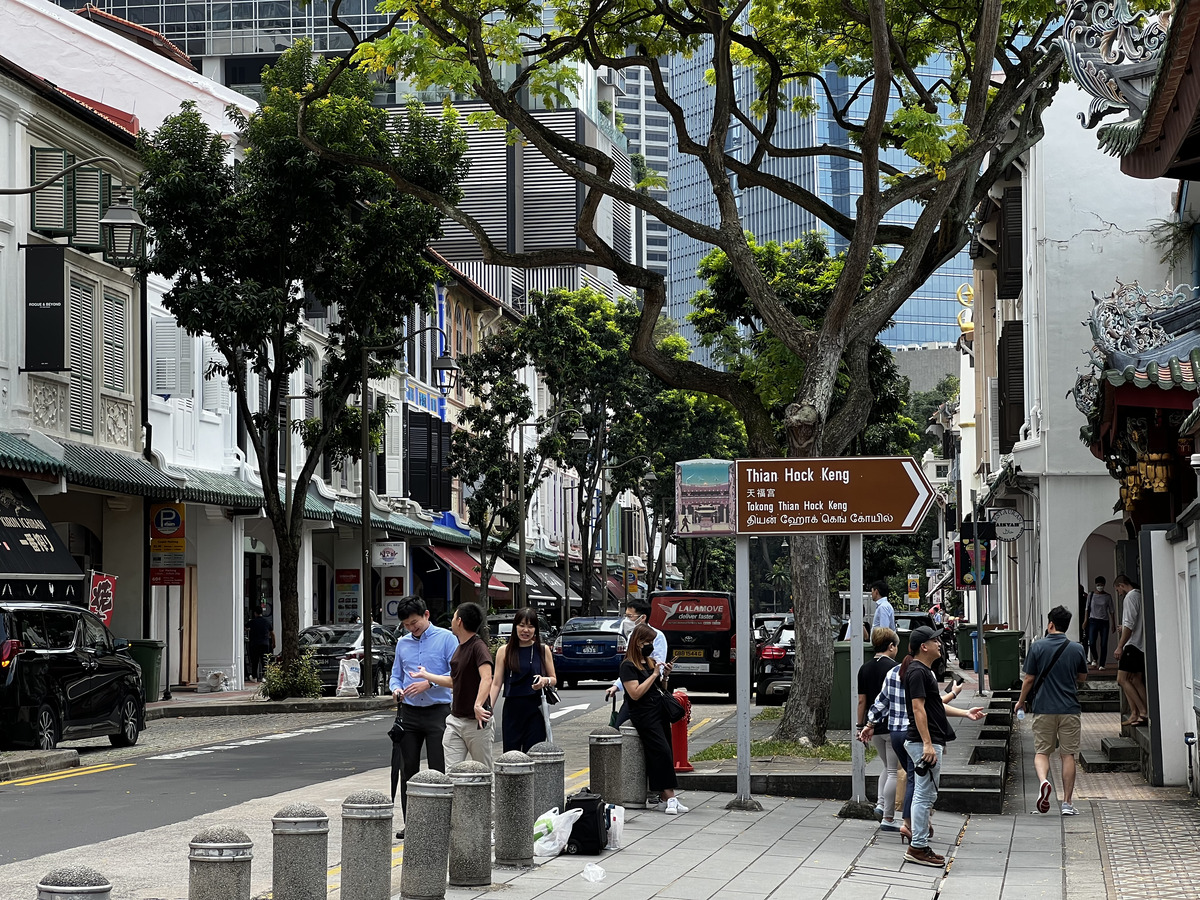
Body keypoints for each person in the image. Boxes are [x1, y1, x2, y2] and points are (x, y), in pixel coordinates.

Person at [860, 649, 966, 841]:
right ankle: (910, 824)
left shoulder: (893, 673)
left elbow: (880, 702)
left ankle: (901, 818)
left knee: (906, 774)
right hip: (914, 732)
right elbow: (927, 706)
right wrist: (954, 694)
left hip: (895, 733)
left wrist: (869, 724)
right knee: (916, 781)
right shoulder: (924, 673)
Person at [902, 625, 984, 868]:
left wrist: (965, 713)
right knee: (924, 795)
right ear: (923, 647)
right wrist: (927, 743)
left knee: (926, 794)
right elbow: (918, 709)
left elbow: (935, 707)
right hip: (923, 742)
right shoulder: (918, 672)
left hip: (928, 741)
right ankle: (917, 846)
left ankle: (919, 844)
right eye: (935, 640)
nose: (940, 644)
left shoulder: (924, 672)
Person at [388, 595, 459, 838]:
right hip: (408, 712)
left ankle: (441, 824)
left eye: (415, 622)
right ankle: (413, 824)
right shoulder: (402, 644)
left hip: (437, 711)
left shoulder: (446, 639)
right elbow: (395, 675)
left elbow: (455, 673)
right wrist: (396, 689)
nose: (412, 628)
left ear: (426, 615)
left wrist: (428, 683)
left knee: (439, 768)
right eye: (407, 625)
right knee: (408, 769)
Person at [1014, 605, 1089, 815]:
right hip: (1069, 708)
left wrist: (1021, 701)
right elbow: (1082, 678)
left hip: (1043, 708)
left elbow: (1029, 678)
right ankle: (1066, 803)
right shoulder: (1077, 649)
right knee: (1068, 755)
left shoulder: (1037, 647)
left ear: (1050, 624)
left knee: (1041, 752)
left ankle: (1044, 781)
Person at [412, 601, 495, 770]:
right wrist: (427, 676)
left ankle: (490, 798)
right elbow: (454, 680)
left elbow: (487, 678)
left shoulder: (478, 647)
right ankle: (456, 797)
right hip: (455, 720)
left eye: (455, 616)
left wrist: (478, 705)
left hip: (476, 723)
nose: (452, 620)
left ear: (459, 621)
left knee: (483, 771)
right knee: (452, 773)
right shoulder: (460, 648)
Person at [620, 623, 687, 814]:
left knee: (665, 751)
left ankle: (665, 797)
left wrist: (665, 675)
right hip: (643, 714)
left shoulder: (649, 661)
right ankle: (670, 796)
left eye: (651, 642)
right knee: (661, 751)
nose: (650, 645)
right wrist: (655, 674)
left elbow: (661, 688)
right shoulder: (627, 666)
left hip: (658, 710)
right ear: (637, 642)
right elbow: (635, 693)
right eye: (646, 642)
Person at [489, 607, 557, 752]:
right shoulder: (504, 651)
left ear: (535, 629)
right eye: (521, 625)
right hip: (512, 709)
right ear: (515, 627)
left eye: (530, 626)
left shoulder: (542, 649)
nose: (525, 630)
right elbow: (496, 683)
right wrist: (488, 707)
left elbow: (554, 679)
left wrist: (545, 681)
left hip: (536, 709)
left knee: (533, 753)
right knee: (511, 754)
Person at [856, 628, 900, 831]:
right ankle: (886, 815)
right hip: (892, 724)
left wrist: (861, 725)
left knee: (885, 766)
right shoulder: (895, 669)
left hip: (871, 727)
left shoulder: (864, 669)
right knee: (893, 770)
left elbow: (862, 701)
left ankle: (880, 804)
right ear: (891, 646)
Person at [605, 599, 667, 726]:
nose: (626, 620)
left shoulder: (657, 636)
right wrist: (617, 686)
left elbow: (658, 668)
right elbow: (630, 666)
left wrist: (653, 677)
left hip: (648, 695)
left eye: (630, 616)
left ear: (643, 617)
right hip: (633, 691)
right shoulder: (631, 636)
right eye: (625, 616)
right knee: (620, 727)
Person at [1113, 575, 1148, 727]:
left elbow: (1129, 623)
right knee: (1135, 679)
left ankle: (1142, 711)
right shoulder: (1141, 595)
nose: (1119, 593)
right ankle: (1136, 713)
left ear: (1122, 585)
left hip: (1132, 644)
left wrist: (1120, 646)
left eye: (1118, 590)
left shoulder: (1130, 597)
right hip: (1142, 644)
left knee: (1122, 679)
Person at [1084, 577, 1116, 669]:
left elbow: (1111, 611)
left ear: (1104, 585)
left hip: (1104, 622)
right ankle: (1095, 657)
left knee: (1104, 643)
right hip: (1093, 620)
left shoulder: (1107, 596)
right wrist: (1085, 620)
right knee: (1092, 642)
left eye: (1101, 585)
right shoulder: (1091, 595)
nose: (1100, 587)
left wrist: (1113, 623)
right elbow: (1087, 608)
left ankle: (1102, 664)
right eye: (1098, 585)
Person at [247, 605, 274, 682]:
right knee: (264, 660)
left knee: (255, 661)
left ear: (255, 613)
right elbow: (272, 633)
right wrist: (273, 643)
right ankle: (264, 677)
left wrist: (249, 630)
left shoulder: (252, 622)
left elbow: (245, 627)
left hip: (254, 644)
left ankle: (254, 677)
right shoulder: (267, 622)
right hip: (265, 644)